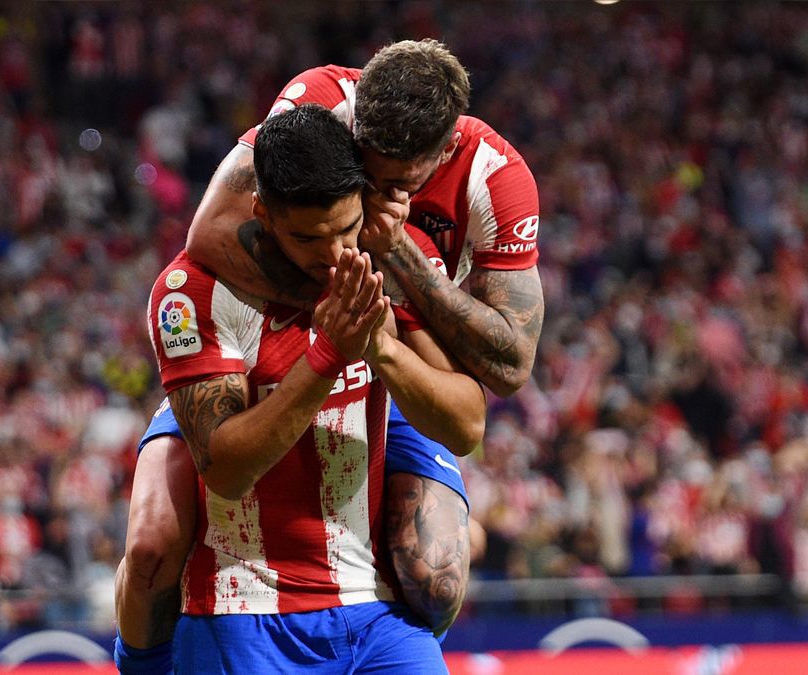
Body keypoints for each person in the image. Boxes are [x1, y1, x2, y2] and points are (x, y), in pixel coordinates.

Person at [116, 38, 543, 665]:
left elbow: (508, 369)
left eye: (393, 180)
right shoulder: (315, 107)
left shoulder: (495, 182)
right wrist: (335, 306)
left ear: (443, 150)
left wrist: (391, 266)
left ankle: (387, 636)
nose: (373, 187)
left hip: (389, 343)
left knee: (436, 575)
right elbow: (206, 234)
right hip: (273, 356)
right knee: (153, 544)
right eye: (363, 168)